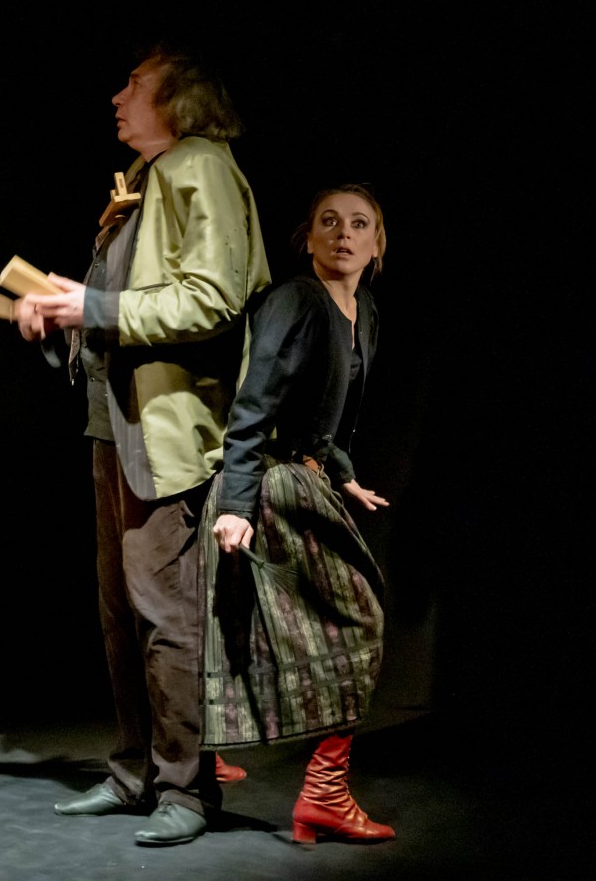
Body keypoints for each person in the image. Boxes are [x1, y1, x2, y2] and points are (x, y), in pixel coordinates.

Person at [13, 41, 270, 847]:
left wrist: (91, 306)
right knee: (121, 612)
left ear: (180, 100)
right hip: (115, 422)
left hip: (165, 429)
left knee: (165, 613)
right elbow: (122, 300)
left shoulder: (200, 167)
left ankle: (187, 791)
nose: (118, 96)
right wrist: (58, 313)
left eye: (135, 83)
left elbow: (212, 297)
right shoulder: (148, 178)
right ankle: (135, 774)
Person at [199, 184, 396, 845]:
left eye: (360, 224)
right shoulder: (296, 300)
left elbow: (323, 420)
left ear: (377, 243)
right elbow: (254, 405)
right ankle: (313, 791)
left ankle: (314, 790)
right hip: (266, 484)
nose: (344, 234)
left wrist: (343, 473)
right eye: (329, 222)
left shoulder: (363, 309)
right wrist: (235, 505)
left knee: (251, 626)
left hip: (304, 478)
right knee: (349, 618)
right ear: (306, 238)